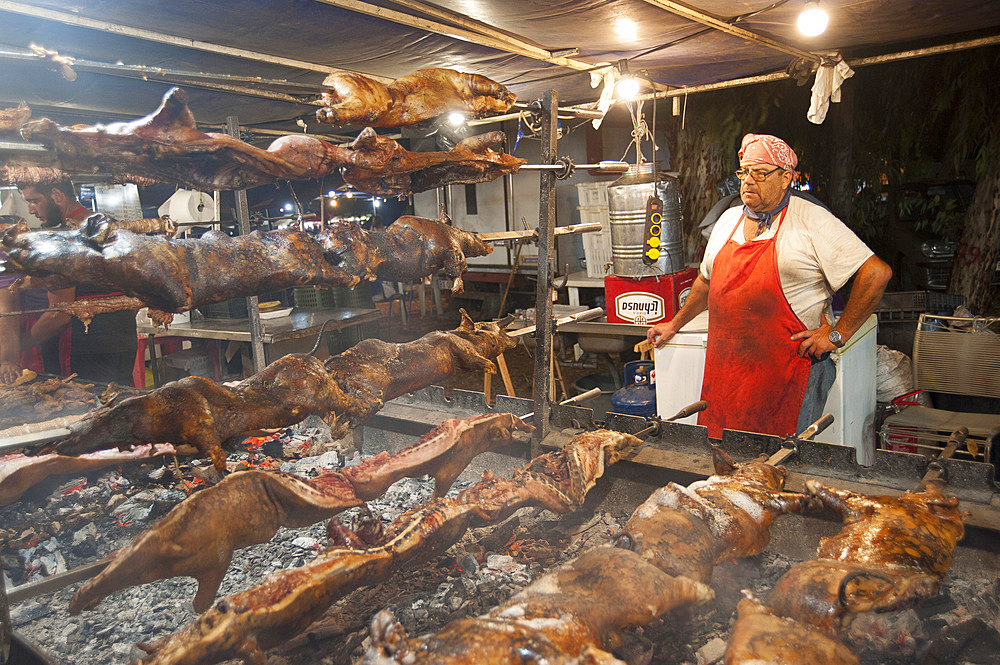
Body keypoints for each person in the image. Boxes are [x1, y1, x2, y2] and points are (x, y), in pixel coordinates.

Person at [646, 134, 891, 438]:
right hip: (728, 373)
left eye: (760, 173)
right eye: (744, 172)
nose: (748, 181)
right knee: (725, 464)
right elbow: (705, 282)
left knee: (779, 468)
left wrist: (839, 333)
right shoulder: (727, 221)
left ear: (786, 177)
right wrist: (674, 324)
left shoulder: (811, 221)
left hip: (788, 376)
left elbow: (876, 273)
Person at [18, 181, 138, 385]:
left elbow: (59, 314)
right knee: (121, 406)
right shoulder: (114, 225)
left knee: (91, 407)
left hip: (84, 345)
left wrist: (19, 345)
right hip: (124, 336)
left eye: (34, 201)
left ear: (56, 194)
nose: (30, 210)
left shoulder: (65, 241)